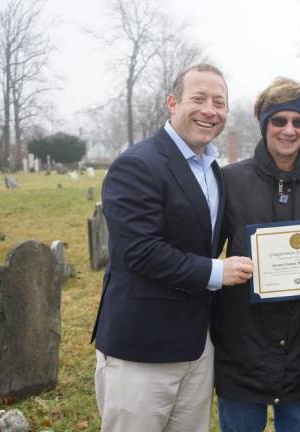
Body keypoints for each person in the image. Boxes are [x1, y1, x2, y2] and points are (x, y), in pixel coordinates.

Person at [91, 63, 254, 432]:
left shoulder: (212, 170)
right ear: (172, 103)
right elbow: (140, 252)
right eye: (199, 99)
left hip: (197, 347)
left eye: (219, 102)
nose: (210, 110)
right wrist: (218, 271)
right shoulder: (138, 164)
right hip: (141, 351)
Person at [212, 77, 300, 432]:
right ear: (264, 124)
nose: (289, 130)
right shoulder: (229, 181)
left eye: (299, 122)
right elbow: (207, 260)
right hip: (241, 342)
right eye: (279, 120)